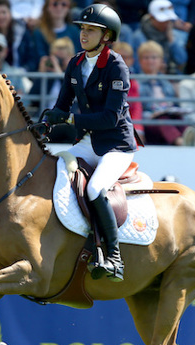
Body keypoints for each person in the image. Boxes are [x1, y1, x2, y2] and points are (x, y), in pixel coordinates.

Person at [44, 3, 136, 281]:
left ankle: (114, 257)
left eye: (91, 30)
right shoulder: (75, 63)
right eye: (82, 28)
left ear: (106, 35)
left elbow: (109, 118)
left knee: (95, 188)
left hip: (116, 145)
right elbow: (62, 105)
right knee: (53, 171)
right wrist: (45, 121)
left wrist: (71, 121)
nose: (83, 34)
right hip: (87, 142)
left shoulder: (117, 67)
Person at [136, 41, 186, 145]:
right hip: (149, 122)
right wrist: (153, 114)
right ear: (140, 61)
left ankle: (191, 139)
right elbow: (137, 110)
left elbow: (173, 104)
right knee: (162, 119)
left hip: (167, 116)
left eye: (154, 58)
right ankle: (180, 142)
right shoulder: (136, 82)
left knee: (178, 118)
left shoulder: (166, 82)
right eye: (146, 58)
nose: (150, 61)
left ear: (161, 61)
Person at [18, 0, 81, 72]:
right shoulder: (39, 32)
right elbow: (38, 58)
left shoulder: (75, 31)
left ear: (68, 8)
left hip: (71, 74)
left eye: (64, 4)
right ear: (47, 7)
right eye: (55, 4)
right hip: (46, 74)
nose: (59, 8)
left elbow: (79, 55)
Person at [131, 0, 187, 74]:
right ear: (152, 17)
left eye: (168, 20)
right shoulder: (139, 36)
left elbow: (182, 60)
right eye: (163, 20)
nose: (166, 23)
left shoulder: (174, 35)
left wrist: (171, 40)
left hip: (170, 78)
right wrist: (155, 67)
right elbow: (136, 66)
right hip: (146, 78)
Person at [0, 0, 27, 67]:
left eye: (4, 12)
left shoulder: (21, 31)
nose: (1, 17)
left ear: (10, 13)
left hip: (16, 73)